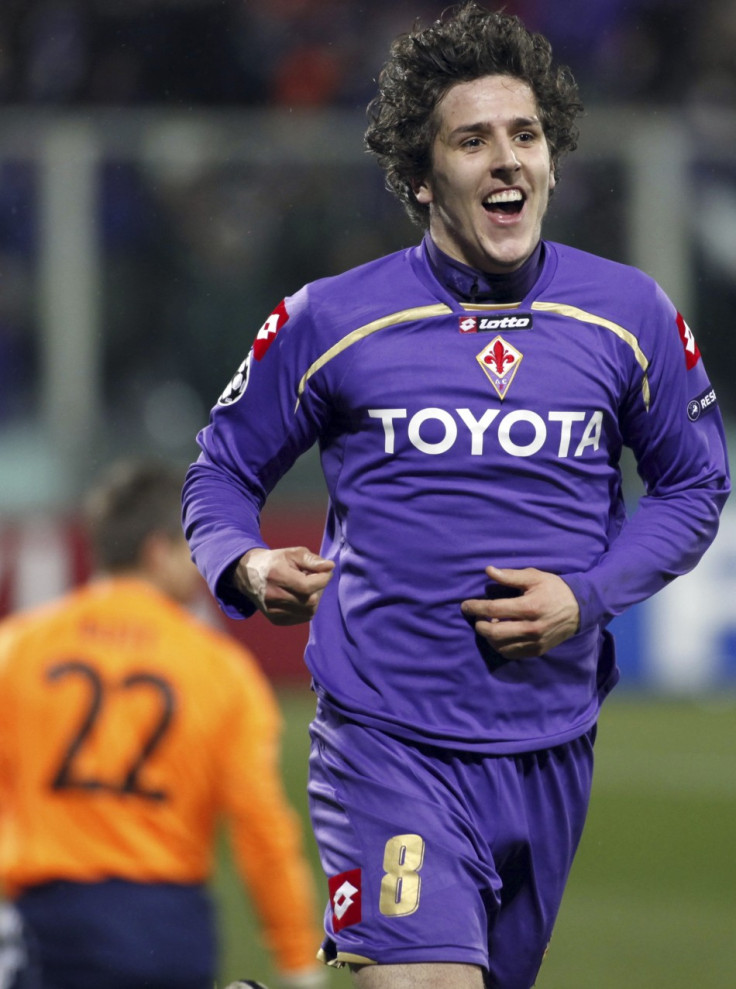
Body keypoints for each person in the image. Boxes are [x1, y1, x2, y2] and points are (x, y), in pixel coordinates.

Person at [181, 4, 731, 988]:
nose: (505, 159)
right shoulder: (330, 319)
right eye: (471, 140)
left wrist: (588, 595)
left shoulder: (629, 315)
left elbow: (694, 483)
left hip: (551, 746)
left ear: (552, 158)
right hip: (386, 737)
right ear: (423, 177)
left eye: (523, 134)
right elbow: (221, 467)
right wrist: (247, 561)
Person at [0, 460, 326, 989]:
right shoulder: (219, 669)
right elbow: (261, 827)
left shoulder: (18, 649)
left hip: (49, 922)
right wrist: (297, 962)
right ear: (158, 550)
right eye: (188, 545)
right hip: (167, 927)